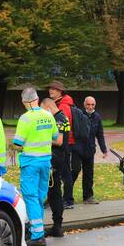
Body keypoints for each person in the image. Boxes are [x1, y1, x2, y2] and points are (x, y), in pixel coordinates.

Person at [13, 87, 59, 246]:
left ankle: (38, 235)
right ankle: (36, 230)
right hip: (45, 162)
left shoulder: (25, 119)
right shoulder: (48, 116)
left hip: (30, 163)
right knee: (39, 197)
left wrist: (13, 147)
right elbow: (55, 136)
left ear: (25, 101)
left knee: (30, 197)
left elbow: (18, 143)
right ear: (37, 99)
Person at [41, 97, 70, 237]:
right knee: (53, 192)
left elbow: (58, 141)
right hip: (58, 159)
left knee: (54, 193)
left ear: (48, 108)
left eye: (43, 110)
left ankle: (57, 225)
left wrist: (40, 139)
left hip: (55, 159)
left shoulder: (59, 119)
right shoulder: (61, 117)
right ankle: (56, 226)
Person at [48, 81, 78, 209]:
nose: (51, 91)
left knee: (65, 173)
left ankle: (68, 200)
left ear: (60, 91)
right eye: (50, 89)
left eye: (54, 89)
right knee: (61, 172)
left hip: (64, 144)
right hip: (63, 143)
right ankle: (58, 199)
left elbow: (62, 126)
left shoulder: (63, 106)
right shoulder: (60, 103)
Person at [77, 96, 108, 205]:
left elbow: (100, 134)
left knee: (89, 174)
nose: (90, 107)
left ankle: (88, 197)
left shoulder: (97, 117)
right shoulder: (79, 115)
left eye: (92, 105)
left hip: (90, 149)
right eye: (88, 104)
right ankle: (66, 197)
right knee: (74, 172)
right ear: (84, 104)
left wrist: (104, 149)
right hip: (78, 149)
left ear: (95, 105)